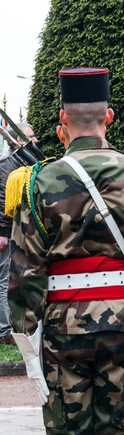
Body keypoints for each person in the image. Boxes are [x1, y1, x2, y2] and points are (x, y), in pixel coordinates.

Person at [6, 67, 124, 435]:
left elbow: (24, 272)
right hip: (122, 324)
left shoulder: (39, 181)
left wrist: (29, 347)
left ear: (63, 118)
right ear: (108, 116)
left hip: (62, 325)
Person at [0, 121, 38, 345]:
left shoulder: (30, 163)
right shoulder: (6, 166)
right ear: (20, 141)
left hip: (28, 232)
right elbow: (3, 201)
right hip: (9, 231)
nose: (36, 140)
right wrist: (3, 232)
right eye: (31, 136)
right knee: (5, 280)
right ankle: (4, 331)